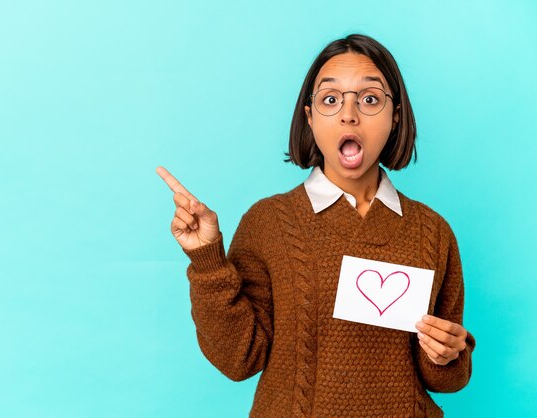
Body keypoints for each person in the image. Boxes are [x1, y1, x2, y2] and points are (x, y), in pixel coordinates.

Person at [157, 34, 475, 417]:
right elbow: (239, 359)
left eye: (370, 99)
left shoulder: (432, 231)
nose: (349, 114)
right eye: (330, 99)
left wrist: (450, 352)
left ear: (396, 116)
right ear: (310, 117)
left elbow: (445, 378)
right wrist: (207, 259)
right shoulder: (268, 223)